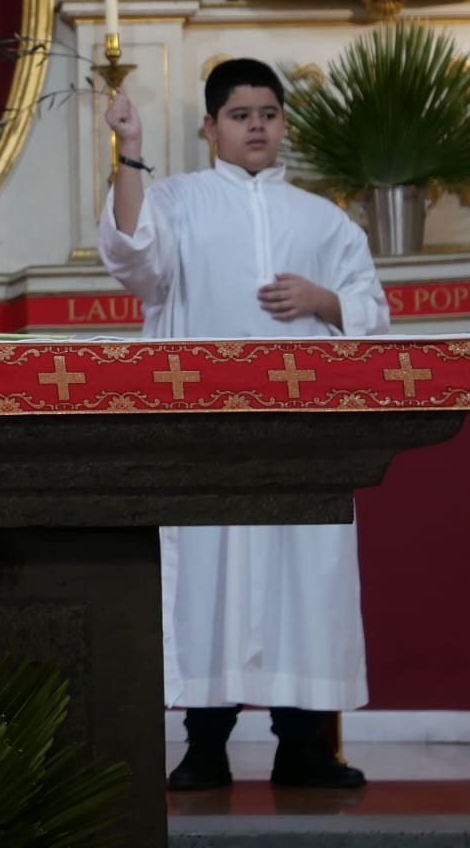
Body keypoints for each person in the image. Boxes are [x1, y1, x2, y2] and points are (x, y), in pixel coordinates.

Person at [97, 58, 390, 792]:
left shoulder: (324, 219)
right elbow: (133, 260)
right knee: (208, 578)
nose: (255, 126)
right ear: (210, 127)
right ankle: (205, 747)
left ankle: (303, 746)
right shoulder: (177, 202)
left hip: (302, 434)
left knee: (305, 579)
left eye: (267, 113)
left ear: (283, 123)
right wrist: (130, 150)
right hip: (209, 429)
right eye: (239, 115)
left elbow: (372, 313)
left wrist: (324, 301)